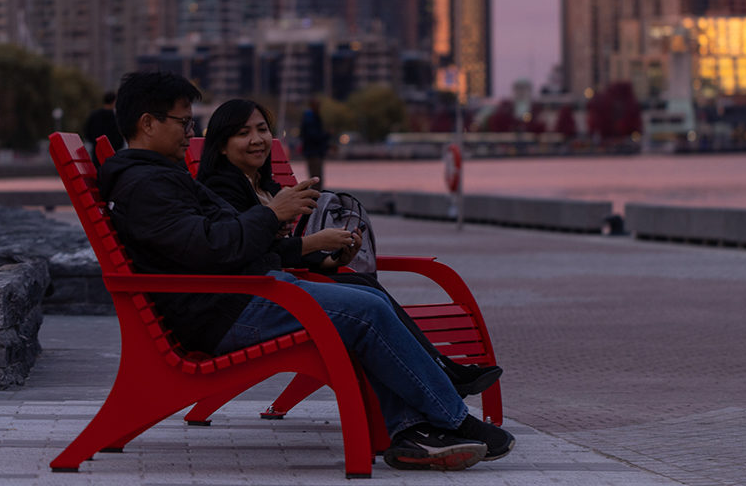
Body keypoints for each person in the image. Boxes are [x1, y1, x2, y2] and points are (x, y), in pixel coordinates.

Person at [97, 72, 513, 471]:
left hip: (242, 294)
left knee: (366, 299)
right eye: (183, 122)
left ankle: (412, 433)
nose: (191, 132)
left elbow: (213, 238)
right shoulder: (147, 186)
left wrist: (278, 229)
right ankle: (452, 419)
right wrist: (272, 215)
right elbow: (210, 247)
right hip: (225, 310)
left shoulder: (159, 178)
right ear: (147, 123)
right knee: (365, 313)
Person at [197, 97, 502, 398]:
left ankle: (440, 369)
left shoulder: (269, 188)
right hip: (256, 299)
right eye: (243, 133)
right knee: (366, 302)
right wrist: (313, 242)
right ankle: (440, 377)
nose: (257, 140)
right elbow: (249, 252)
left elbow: (278, 250)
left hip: (282, 285)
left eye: (263, 129)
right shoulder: (222, 190)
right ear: (222, 146)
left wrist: (331, 260)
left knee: (363, 283)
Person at [84, 91, 124, 165]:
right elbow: (119, 137)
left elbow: (87, 132)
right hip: (112, 153)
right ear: (114, 101)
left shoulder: (94, 115)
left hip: (96, 152)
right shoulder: (116, 117)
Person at [299, 98, 330, 188]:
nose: (319, 108)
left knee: (316, 178)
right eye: (317, 105)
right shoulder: (310, 119)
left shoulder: (310, 117)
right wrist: (326, 135)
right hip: (314, 152)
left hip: (313, 151)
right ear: (313, 106)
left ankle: (317, 197)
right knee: (316, 178)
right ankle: (317, 199)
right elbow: (313, 136)